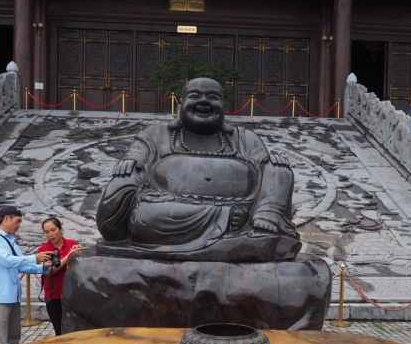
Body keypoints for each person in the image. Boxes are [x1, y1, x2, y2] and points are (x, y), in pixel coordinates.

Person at [96, 77, 300, 262]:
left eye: (212, 97)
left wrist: (274, 165)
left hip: (243, 207)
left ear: (223, 106)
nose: (204, 101)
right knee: (144, 214)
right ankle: (230, 222)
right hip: (169, 209)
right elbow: (136, 157)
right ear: (180, 104)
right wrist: (129, 162)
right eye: (195, 96)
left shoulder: (245, 138)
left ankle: (266, 218)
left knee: (279, 169)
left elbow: (265, 168)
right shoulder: (156, 133)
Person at [0, 206, 52, 344]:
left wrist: (44, 267)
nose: (19, 225)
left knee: (13, 338)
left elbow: (20, 265)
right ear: (7, 218)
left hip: (12, 296)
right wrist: (34, 257)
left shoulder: (10, 241)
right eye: (17, 221)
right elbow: (6, 260)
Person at [37, 217, 82, 335]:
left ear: (60, 229)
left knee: (76, 331)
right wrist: (68, 256)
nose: (50, 234)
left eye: (53, 230)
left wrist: (78, 254)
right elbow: (49, 272)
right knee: (60, 331)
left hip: (72, 295)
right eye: (47, 232)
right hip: (54, 295)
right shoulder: (43, 250)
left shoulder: (72, 244)